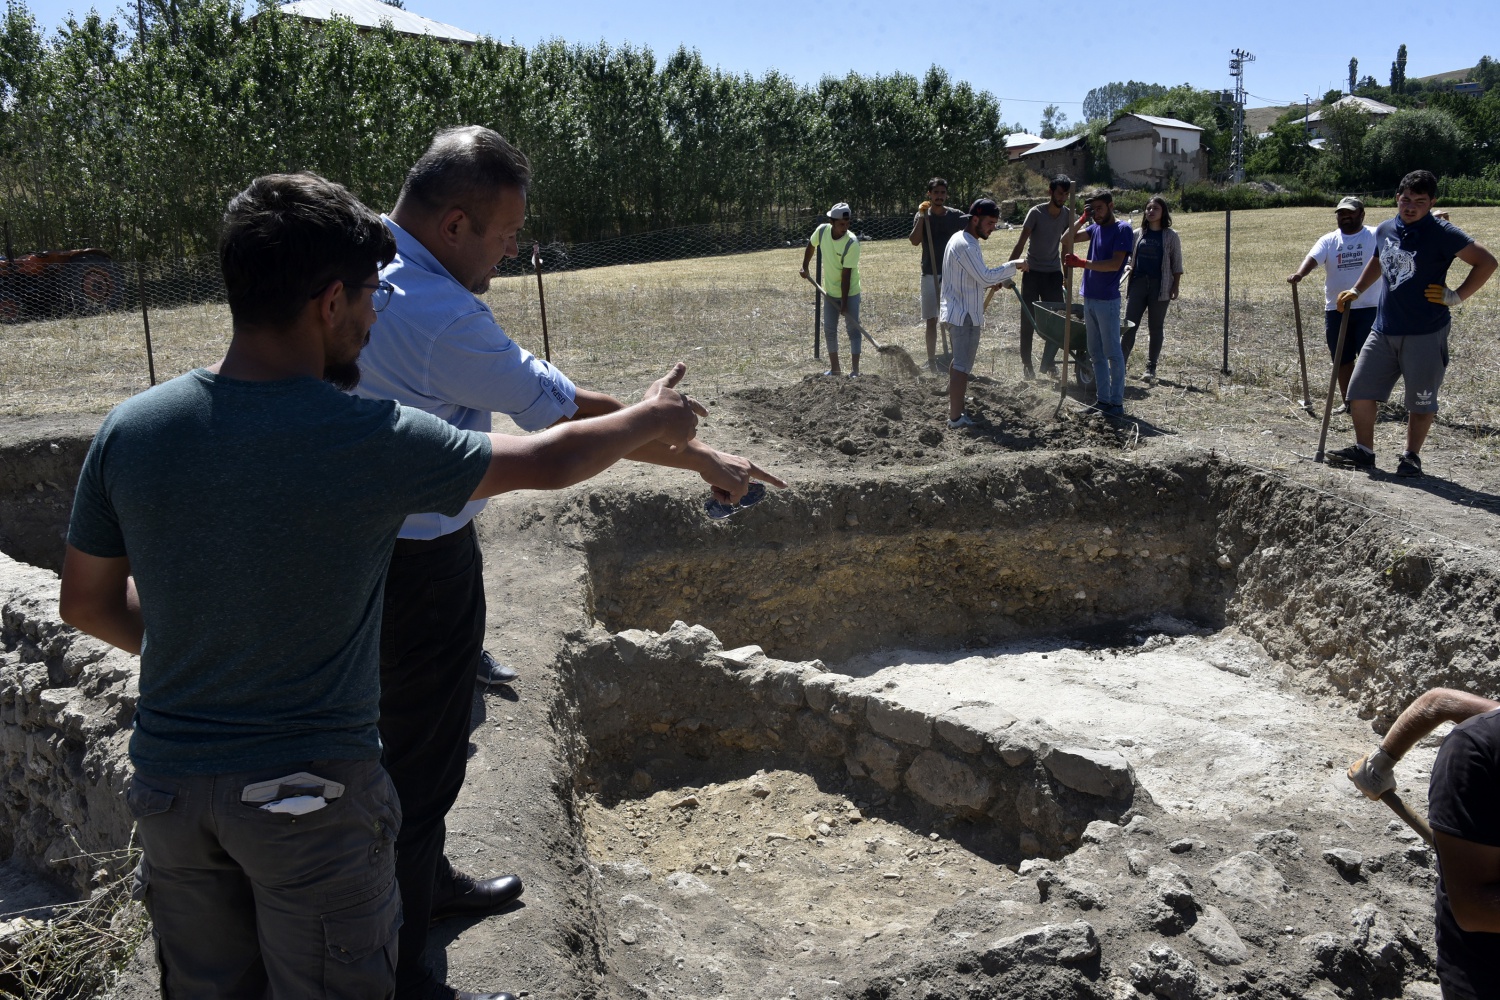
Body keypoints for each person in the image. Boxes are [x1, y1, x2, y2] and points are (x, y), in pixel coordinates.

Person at [57, 172, 702, 1000]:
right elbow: (547, 459)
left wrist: (202, 646)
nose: (374, 316)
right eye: (372, 295)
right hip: (308, 798)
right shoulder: (364, 438)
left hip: (171, 793)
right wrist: (652, 417)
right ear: (331, 302)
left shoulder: (132, 429)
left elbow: (85, 603)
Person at [356, 126, 785, 1000]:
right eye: (507, 234)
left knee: (406, 746)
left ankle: (423, 885)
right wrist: (692, 450)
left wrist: (675, 440)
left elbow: (574, 414)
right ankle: (402, 974)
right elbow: (566, 427)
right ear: (454, 223)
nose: (513, 253)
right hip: (416, 566)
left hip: (365, 547)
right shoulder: (441, 316)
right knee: (421, 759)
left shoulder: (361, 257)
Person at [1328, 170, 1497, 478]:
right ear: (1397, 198)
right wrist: (1357, 289)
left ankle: (1411, 457)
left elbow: (1487, 262)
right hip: (1383, 328)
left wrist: (1456, 296)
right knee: (1359, 391)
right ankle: (1364, 451)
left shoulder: (1443, 232)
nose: (1410, 207)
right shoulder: (1385, 229)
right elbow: (1379, 260)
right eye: (1406, 199)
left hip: (1426, 331)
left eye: (1420, 201)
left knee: (1420, 401)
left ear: (1432, 202)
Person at [1348, 688, 1500, 1000]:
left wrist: (1379, 765)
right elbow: (1475, 908)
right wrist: (1379, 765)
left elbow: (1438, 702)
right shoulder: (1479, 745)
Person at [939, 198, 1028, 429]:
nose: (993, 228)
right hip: (963, 315)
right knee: (962, 366)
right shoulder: (966, 245)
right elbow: (985, 276)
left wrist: (989, 281)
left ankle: (956, 408)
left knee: (959, 363)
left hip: (960, 310)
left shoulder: (961, 239)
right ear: (975, 219)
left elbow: (976, 277)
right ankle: (955, 418)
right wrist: (1014, 265)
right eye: (990, 223)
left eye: (995, 224)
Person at [1286, 196, 1379, 410]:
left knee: (1368, 360)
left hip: (1369, 308)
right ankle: (1348, 402)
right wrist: (1300, 274)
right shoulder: (1329, 240)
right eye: (1341, 213)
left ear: (1362, 214)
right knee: (1341, 358)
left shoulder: (1374, 235)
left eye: (1350, 212)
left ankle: (1367, 404)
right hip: (1336, 309)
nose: (1345, 216)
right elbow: (1313, 258)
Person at [1064, 190, 1133, 417]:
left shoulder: (1122, 229)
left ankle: (1117, 403)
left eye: (1100, 209)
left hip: (1107, 301)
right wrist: (1082, 219)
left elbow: (1114, 264)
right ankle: (1102, 401)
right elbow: (1066, 239)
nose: (1097, 214)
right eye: (1093, 210)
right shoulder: (1094, 228)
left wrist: (1081, 263)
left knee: (1112, 352)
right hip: (1090, 298)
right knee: (1095, 352)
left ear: (1111, 206)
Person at [1007, 175, 1075, 378]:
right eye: (1060, 193)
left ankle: (1050, 363)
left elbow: (1065, 247)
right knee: (1028, 319)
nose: (1062, 198)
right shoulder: (1036, 213)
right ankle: (1027, 363)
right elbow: (1021, 243)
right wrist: (1007, 270)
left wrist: (1066, 275)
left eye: (1066, 194)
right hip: (1032, 272)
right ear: (1050, 192)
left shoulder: (1067, 215)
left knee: (1056, 321)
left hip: (1053, 273)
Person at [909, 177, 969, 371]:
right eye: (936, 193)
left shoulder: (956, 216)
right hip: (929, 273)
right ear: (929, 194)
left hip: (952, 274)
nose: (939, 196)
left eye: (942, 193)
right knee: (931, 320)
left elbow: (970, 235)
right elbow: (914, 241)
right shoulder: (922, 215)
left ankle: (955, 358)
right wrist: (922, 217)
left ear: (946, 195)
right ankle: (932, 360)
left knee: (952, 318)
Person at [1120, 195, 1183, 380]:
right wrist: (1128, 265)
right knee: (1129, 326)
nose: (1151, 211)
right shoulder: (1137, 234)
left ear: (1163, 212)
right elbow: (1129, 256)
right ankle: (1120, 365)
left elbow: (1177, 263)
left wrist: (1175, 286)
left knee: (1155, 327)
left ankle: (1150, 367)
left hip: (1160, 286)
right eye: (1148, 208)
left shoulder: (1171, 236)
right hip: (1138, 284)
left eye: (1155, 208)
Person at [800, 202, 863, 376]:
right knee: (829, 329)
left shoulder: (852, 243)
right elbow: (811, 245)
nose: (845, 227)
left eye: (847, 223)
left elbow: (846, 276)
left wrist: (844, 303)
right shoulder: (822, 231)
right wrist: (805, 267)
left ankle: (855, 371)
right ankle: (835, 370)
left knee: (853, 330)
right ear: (832, 222)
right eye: (841, 224)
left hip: (850, 292)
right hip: (830, 292)